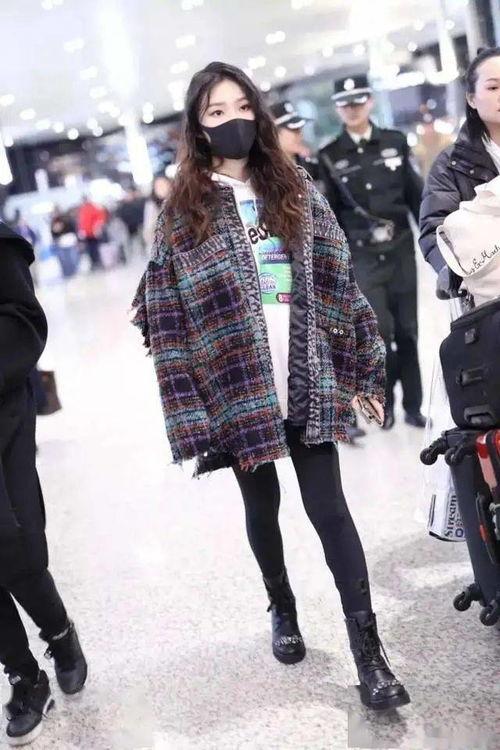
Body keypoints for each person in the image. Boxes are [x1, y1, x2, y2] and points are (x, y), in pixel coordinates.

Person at [132, 61, 410, 712]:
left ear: (257, 112)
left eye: (240, 107)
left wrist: (363, 367)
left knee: (330, 509)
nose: (232, 120)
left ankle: (369, 654)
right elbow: (166, 311)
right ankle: (281, 606)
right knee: (262, 508)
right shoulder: (183, 211)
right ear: (198, 127)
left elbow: (338, 277)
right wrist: (191, 407)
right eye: (216, 112)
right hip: (238, 385)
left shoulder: (294, 186)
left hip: (304, 372)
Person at [0, 222, 87, 746]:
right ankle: (24, 676)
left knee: (17, 543)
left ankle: (58, 631)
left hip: (4, 409)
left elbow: (24, 319)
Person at [319, 75, 425, 430]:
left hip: (400, 251)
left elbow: (416, 197)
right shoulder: (330, 156)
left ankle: (413, 406)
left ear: (370, 102)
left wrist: (433, 243)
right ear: (337, 108)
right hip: (361, 258)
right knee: (378, 334)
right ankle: (386, 404)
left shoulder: (395, 141)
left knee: (408, 331)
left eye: (358, 101)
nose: (352, 108)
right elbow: (332, 216)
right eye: (345, 103)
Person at [420, 47, 500, 275]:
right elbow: (435, 231)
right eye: (493, 87)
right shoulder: (450, 164)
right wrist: (455, 275)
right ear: (471, 99)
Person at [143, 175, 173, 250]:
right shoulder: (152, 205)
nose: (161, 189)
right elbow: (148, 229)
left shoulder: (177, 200)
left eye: (163, 185)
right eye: (158, 186)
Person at [77, 195, 106, 271]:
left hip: (94, 233)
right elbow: (82, 221)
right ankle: (93, 263)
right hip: (87, 234)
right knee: (89, 250)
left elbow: (100, 218)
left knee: (96, 248)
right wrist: (81, 230)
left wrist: (98, 227)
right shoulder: (82, 209)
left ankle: (98, 263)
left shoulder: (94, 207)